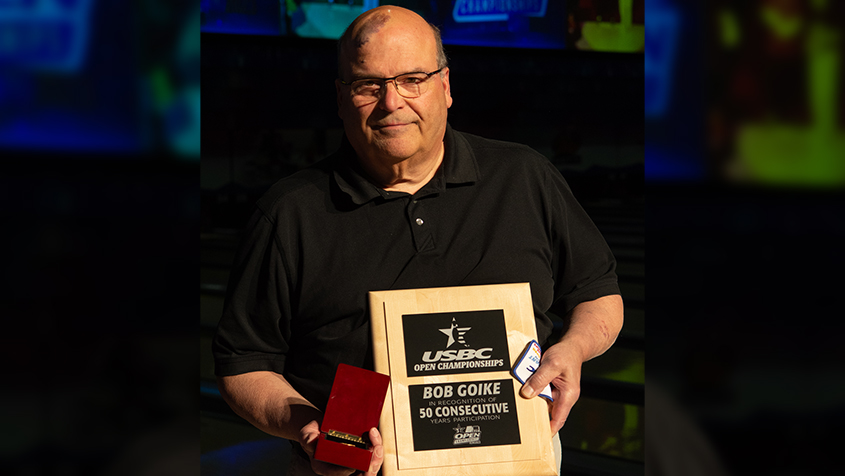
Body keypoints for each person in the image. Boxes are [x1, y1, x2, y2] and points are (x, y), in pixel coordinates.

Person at [212, 5, 624, 476]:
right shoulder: (290, 212)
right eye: (369, 85)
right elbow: (243, 362)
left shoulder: (524, 177)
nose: (391, 103)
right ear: (341, 98)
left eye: (412, 79)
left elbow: (599, 292)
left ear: (445, 87)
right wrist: (309, 427)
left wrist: (573, 349)